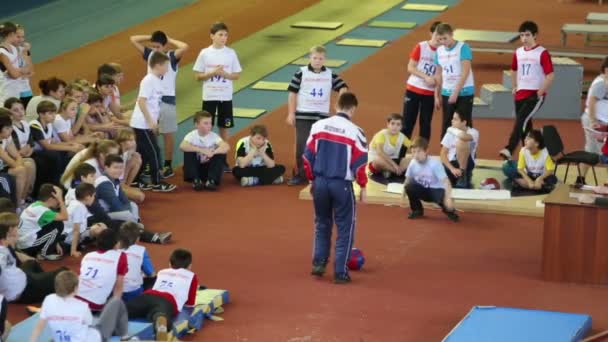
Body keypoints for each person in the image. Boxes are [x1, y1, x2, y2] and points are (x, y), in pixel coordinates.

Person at [303, 92, 367, 284]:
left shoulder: (318, 126)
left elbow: (307, 157)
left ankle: (319, 263)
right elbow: (361, 163)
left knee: (322, 223)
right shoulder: (357, 131)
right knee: (345, 228)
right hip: (342, 185)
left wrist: (312, 179)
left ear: (335, 105)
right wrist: (362, 185)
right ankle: (340, 272)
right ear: (353, 109)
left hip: (320, 182)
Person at [130, 30, 189, 179]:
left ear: (164, 46)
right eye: (153, 46)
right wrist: (150, 37)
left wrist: (169, 39)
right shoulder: (150, 54)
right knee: (151, 133)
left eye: (158, 46)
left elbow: (185, 46)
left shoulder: (171, 57)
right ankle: (152, 163)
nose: (155, 49)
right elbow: (133, 39)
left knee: (167, 133)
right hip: (151, 100)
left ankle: (167, 164)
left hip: (167, 99)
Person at [286, 45, 349, 185]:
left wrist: (339, 104)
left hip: (322, 116)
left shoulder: (329, 74)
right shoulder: (301, 73)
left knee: (321, 146)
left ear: (324, 59)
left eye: (320, 58)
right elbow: (292, 93)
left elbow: (343, 87)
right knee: (302, 146)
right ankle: (301, 175)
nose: (317, 61)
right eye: (315, 58)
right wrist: (291, 113)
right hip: (303, 115)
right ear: (310, 58)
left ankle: (319, 174)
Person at [499, 21, 554, 160]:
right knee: (526, 126)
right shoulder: (518, 52)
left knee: (520, 121)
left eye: (527, 35)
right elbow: (514, 69)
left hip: (534, 94)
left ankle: (509, 149)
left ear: (535, 35)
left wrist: (539, 93)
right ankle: (531, 155)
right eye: (522, 35)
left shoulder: (542, 53)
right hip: (520, 94)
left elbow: (550, 75)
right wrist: (515, 86)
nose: (524, 38)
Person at [30, 270, 129, 342]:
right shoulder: (82, 306)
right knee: (116, 302)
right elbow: (90, 323)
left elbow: (39, 327)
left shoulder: (48, 299)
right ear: (75, 288)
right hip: (93, 338)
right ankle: (125, 336)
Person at [126, 248, 199, 341]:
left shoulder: (162, 272)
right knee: (159, 314)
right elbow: (190, 303)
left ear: (170, 264)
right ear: (189, 266)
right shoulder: (191, 276)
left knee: (125, 310)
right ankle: (161, 325)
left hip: (147, 295)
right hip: (167, 301)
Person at [130, 52, 176, 192]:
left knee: (142, 152)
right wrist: (150, 121)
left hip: (146, 123)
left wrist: (154, 121)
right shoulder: (149, 80)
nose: (168, 69)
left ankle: (135, 180)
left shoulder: (157, 79)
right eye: (166, 66)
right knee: (154, 151)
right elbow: (142, 101)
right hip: (142, 123)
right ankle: (157, 181)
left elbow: (153, 103)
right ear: (158, 65)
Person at [0, 212, 68, 304]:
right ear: (10, 230)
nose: (18, 229)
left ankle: (45, 285)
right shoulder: (2, 254)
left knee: (31, 262)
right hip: (23, 290)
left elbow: (17, 255)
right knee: (64, 273)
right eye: (16, 227)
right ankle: (47, 292)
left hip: (22, 277)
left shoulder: (5, 243)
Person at [193, 22, 242, 148]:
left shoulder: (231, 53)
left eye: (226, 35)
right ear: (212, 36)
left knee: (224, 127)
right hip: (209, 96)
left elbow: (236, 75)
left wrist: (225, 74)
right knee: (206, 126)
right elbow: (197, 76)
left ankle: (223, 156)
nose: (223, 38)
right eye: (220, 35)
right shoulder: (205, 53)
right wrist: (213, 72)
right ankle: (205, 154)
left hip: (225, 97)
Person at [6, 97, 56, 194]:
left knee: (49, 157)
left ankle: (34, 192)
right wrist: (23, 152)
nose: (20, 112)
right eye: (16, 110)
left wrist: (29, 150)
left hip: (28, 153)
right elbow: (14, 150)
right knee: (34, 163)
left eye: (22, 109)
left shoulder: (25, 124)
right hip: (17, 156)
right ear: (9, 113)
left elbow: (31, 142)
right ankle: (26, 196)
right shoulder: (9, 128)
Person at [434, 23, 475, 140]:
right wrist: (436, 95)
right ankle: (445, 154)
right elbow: (438, 74)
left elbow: (465, 72)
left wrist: (456, 92)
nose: (443, 41)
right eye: (440, 39)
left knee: (464, 123)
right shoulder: (439, 51)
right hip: (447, 92)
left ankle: (468, 154)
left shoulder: (463, 48)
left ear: (451, 34)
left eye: (445, 38)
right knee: (447, 124)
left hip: (464, 92)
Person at [404, 137, 459, 221]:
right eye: (413, 152)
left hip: (436, 191)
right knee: (409, 186)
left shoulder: (434, 163)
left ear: (426, 151)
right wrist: (403, 192)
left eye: (419, 151)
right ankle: (417, 210)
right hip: (423, 190)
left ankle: (450, 211)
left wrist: (448, 198)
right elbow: (408, 178)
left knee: (446, 202)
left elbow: (446, 181)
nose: (415, 155)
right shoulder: (412, 163)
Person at [403, 21, 441, 141]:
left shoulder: (443, 52)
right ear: (431, 33)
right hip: (413, 89)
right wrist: (425, 77)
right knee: (407, 123)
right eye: (436, 35)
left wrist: (436, 95)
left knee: (425, 125)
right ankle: (401, 154)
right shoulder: (421, 46)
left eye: (441, 36)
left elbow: (440, 75)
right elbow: (410, 67)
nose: (438, 39)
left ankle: (422, 153)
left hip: (429, 93)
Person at [76, 229, 127, 311]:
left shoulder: (88, 255)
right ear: (116, 244)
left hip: (75, 297)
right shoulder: (121, 256)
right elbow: (119, 285)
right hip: (94, 304)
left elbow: (79, 277)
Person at [179, 111, 229, 191]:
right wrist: (202, 150)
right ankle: (196, 180)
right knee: (188, 150)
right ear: (197, 125)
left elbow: (226, 147)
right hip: (196, 168)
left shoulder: (213, 136)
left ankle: (211, 180)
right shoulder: (191, 135)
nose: (209, 126)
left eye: (210, 123)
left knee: (220, 153)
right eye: (206, 123)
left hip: (208, 170)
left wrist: (212, 152)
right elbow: (182, 146)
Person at [18, 184, 66, 260]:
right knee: (59, 225)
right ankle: (45, 254)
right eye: (57, 199)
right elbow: (65, 217)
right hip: (27, 245)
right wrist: (61, 200)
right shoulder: (43, 211)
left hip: (22, 243)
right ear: (51, 199)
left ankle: (43, 250)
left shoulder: (36, 204)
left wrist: (55, 242)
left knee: (54, 223)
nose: (58, 202)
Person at [0, 109, 34, 209]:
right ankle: (17, 206)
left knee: (29, 164)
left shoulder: (7, 137)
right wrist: (19, 164)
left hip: (3, 167)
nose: (11, 129)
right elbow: (11, 162)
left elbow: (17, 155)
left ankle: (23, 200)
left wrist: (19, 163)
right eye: (8, 127)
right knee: (21, 170)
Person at [581, 57, 608, 180]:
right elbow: (591, 101)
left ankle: (580, 178)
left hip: (601, 122)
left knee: (591, 151)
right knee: (601, 153)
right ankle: (580, 178)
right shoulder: (602, 83)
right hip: (596, 122)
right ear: (605, 69)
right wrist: (593, 121)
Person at [63, 183, 107, 258]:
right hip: (70, 239)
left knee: (100, 225)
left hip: (72, 234)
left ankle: (89, 242)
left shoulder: (75, 203)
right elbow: (76, 230)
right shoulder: (79, 207)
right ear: (88, 197)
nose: (94, 198)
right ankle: (104, 249)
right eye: (93, 196)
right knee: (100, 228)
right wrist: (73, 251)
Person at [440, 111, 479, 188]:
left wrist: (451, 130)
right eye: (452, 118)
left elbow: (464, 137)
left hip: (467, 163)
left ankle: (463, 174)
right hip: (452, 164)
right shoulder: (449, 133)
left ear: (464, 122)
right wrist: (452, 169)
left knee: (462, 141)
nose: (452, 121)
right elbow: (443, 154)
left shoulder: (474, 132)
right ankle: (456, 175)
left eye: (455, 119)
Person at [368, 113, 412, 180]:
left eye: (398, 124)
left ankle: (391, 171)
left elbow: (413, 147)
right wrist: (395, 166)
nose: (395, 127)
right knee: (378, 160)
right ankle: (398, 172)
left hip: (393, 161)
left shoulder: (402, 137)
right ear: (388, 124)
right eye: (392, 123)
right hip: (377, 163)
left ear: (401, 127)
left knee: (412, 158)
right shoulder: (382, 134)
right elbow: (380, 152)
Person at [119, 221, 155, 302]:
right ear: (137, 238)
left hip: (115, 291)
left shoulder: (114, 249)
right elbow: (152, 274)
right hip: (134, 293)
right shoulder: (141, 250)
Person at [0, 22, 31, 105]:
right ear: (12, 34)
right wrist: (20, 71)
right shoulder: (2, 53)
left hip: (15, 95)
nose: (20, 39)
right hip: (4, 98)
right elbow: (14, 75)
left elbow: (27, 70)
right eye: (17, 35)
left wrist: (17, 70)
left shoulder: (14, 49)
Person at [14, 24, 34, 107]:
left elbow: (31, 71)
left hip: (26, 90)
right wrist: (23, 73)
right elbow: (14, 74)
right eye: (18, 37)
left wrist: (26, 52)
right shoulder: (4, 52)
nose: (21, 40)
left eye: (23, 37)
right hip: (12, 92)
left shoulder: (24, 50)